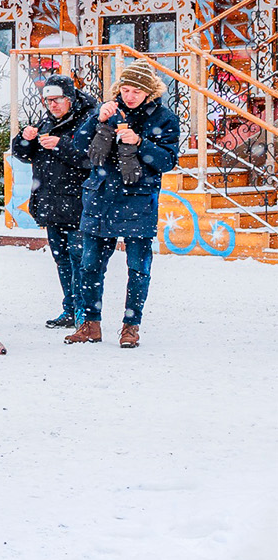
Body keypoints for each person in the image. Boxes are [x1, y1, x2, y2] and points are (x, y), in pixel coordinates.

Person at [66, 59, 178, 348]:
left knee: (138, 268)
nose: (129, 96)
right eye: (125, 90)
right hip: (100, 197)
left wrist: (141, 142)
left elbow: (167, 161)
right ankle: (90, 324)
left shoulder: (164, 118)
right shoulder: (107, 110)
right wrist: (97, 120)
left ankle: (131, 326)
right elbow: (77, 147)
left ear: (149, 92)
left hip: (138, 200)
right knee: (90, 264)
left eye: (136, 92)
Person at [12, 76, 93, 328]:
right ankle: (70, 309)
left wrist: (61, 145)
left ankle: (85, 312)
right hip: (51, 203)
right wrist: (25, 138)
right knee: (61, 259)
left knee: (80, 259)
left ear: (70, 98)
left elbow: (91, 158)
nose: (53, 105)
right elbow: (23, 154)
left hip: (79, 204)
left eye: (57, 99)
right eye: (48, 100)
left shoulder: (88, 120)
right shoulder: (47, 121)